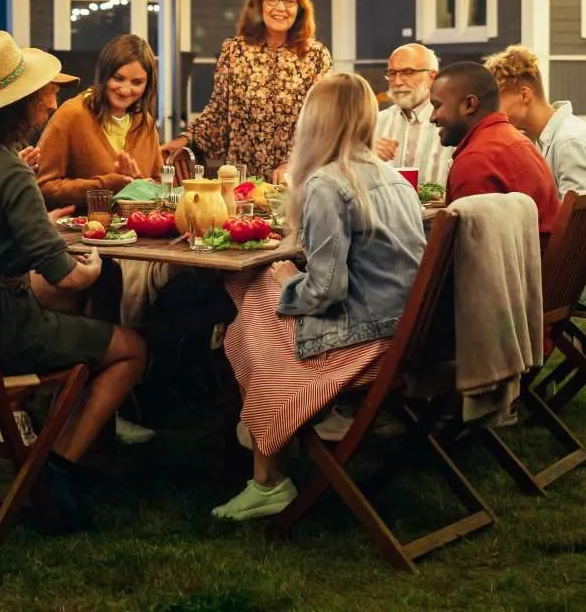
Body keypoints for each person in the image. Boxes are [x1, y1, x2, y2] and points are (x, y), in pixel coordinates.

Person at [0, 30, 147, 530]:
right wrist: (91, 263)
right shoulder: (10, 173)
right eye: (40, 98)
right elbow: (64, 277)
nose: (48, 106)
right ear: (15, 105)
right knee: (131, 348)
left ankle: (54, 437)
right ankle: (59, 463)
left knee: (62, 312)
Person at [212, 72, 427, 521]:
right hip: (409, 331)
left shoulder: (327, 184)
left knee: (250, 294)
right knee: (268, 286)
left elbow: (327, 289)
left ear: (315, 121)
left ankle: (267, 465)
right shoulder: (394, 179)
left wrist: (283, 297)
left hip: (368, 339)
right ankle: (295, 420)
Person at [484, 45, 586, 311]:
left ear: (525, 95)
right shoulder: (548, 138)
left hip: (584, 282)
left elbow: (582, 229)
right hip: (573, 270)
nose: (493, 113)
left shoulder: (570, 142)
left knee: (483, 286)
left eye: (496, 103)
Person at [162, 0, 330, 183]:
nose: (280, 7)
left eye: (289, 0)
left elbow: (322, 120)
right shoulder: (234, 51)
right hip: (241, 179)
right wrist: (187, 139)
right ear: (258, 5)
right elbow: (219, 112)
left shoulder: (315, 55)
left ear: (300, 8)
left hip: (296, 177)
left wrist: (294, 161)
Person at [35, 33, 166, 210]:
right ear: (104, 75)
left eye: (136, 82)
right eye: (118, 78)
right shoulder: (72, 114)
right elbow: (43, 187)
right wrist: (104, 186)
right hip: (81, 233)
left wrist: (140, 186)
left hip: (138, 233)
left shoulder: (145, 122)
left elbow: (159, 185)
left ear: (147, 85)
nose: (125, 90)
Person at [427, 61, 561, 233]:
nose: (432, 118)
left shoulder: (476, 161)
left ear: (469, 104)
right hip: (537, 258)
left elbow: (473, 252)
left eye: (437, 106)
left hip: (524, 260)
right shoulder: (517, 140)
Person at [372, 42, 453, 188]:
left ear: (432, 77)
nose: (397, 82)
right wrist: (367, 156)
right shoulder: (375, 123)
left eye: (407, 72)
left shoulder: (453, 123)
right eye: (391, 73)